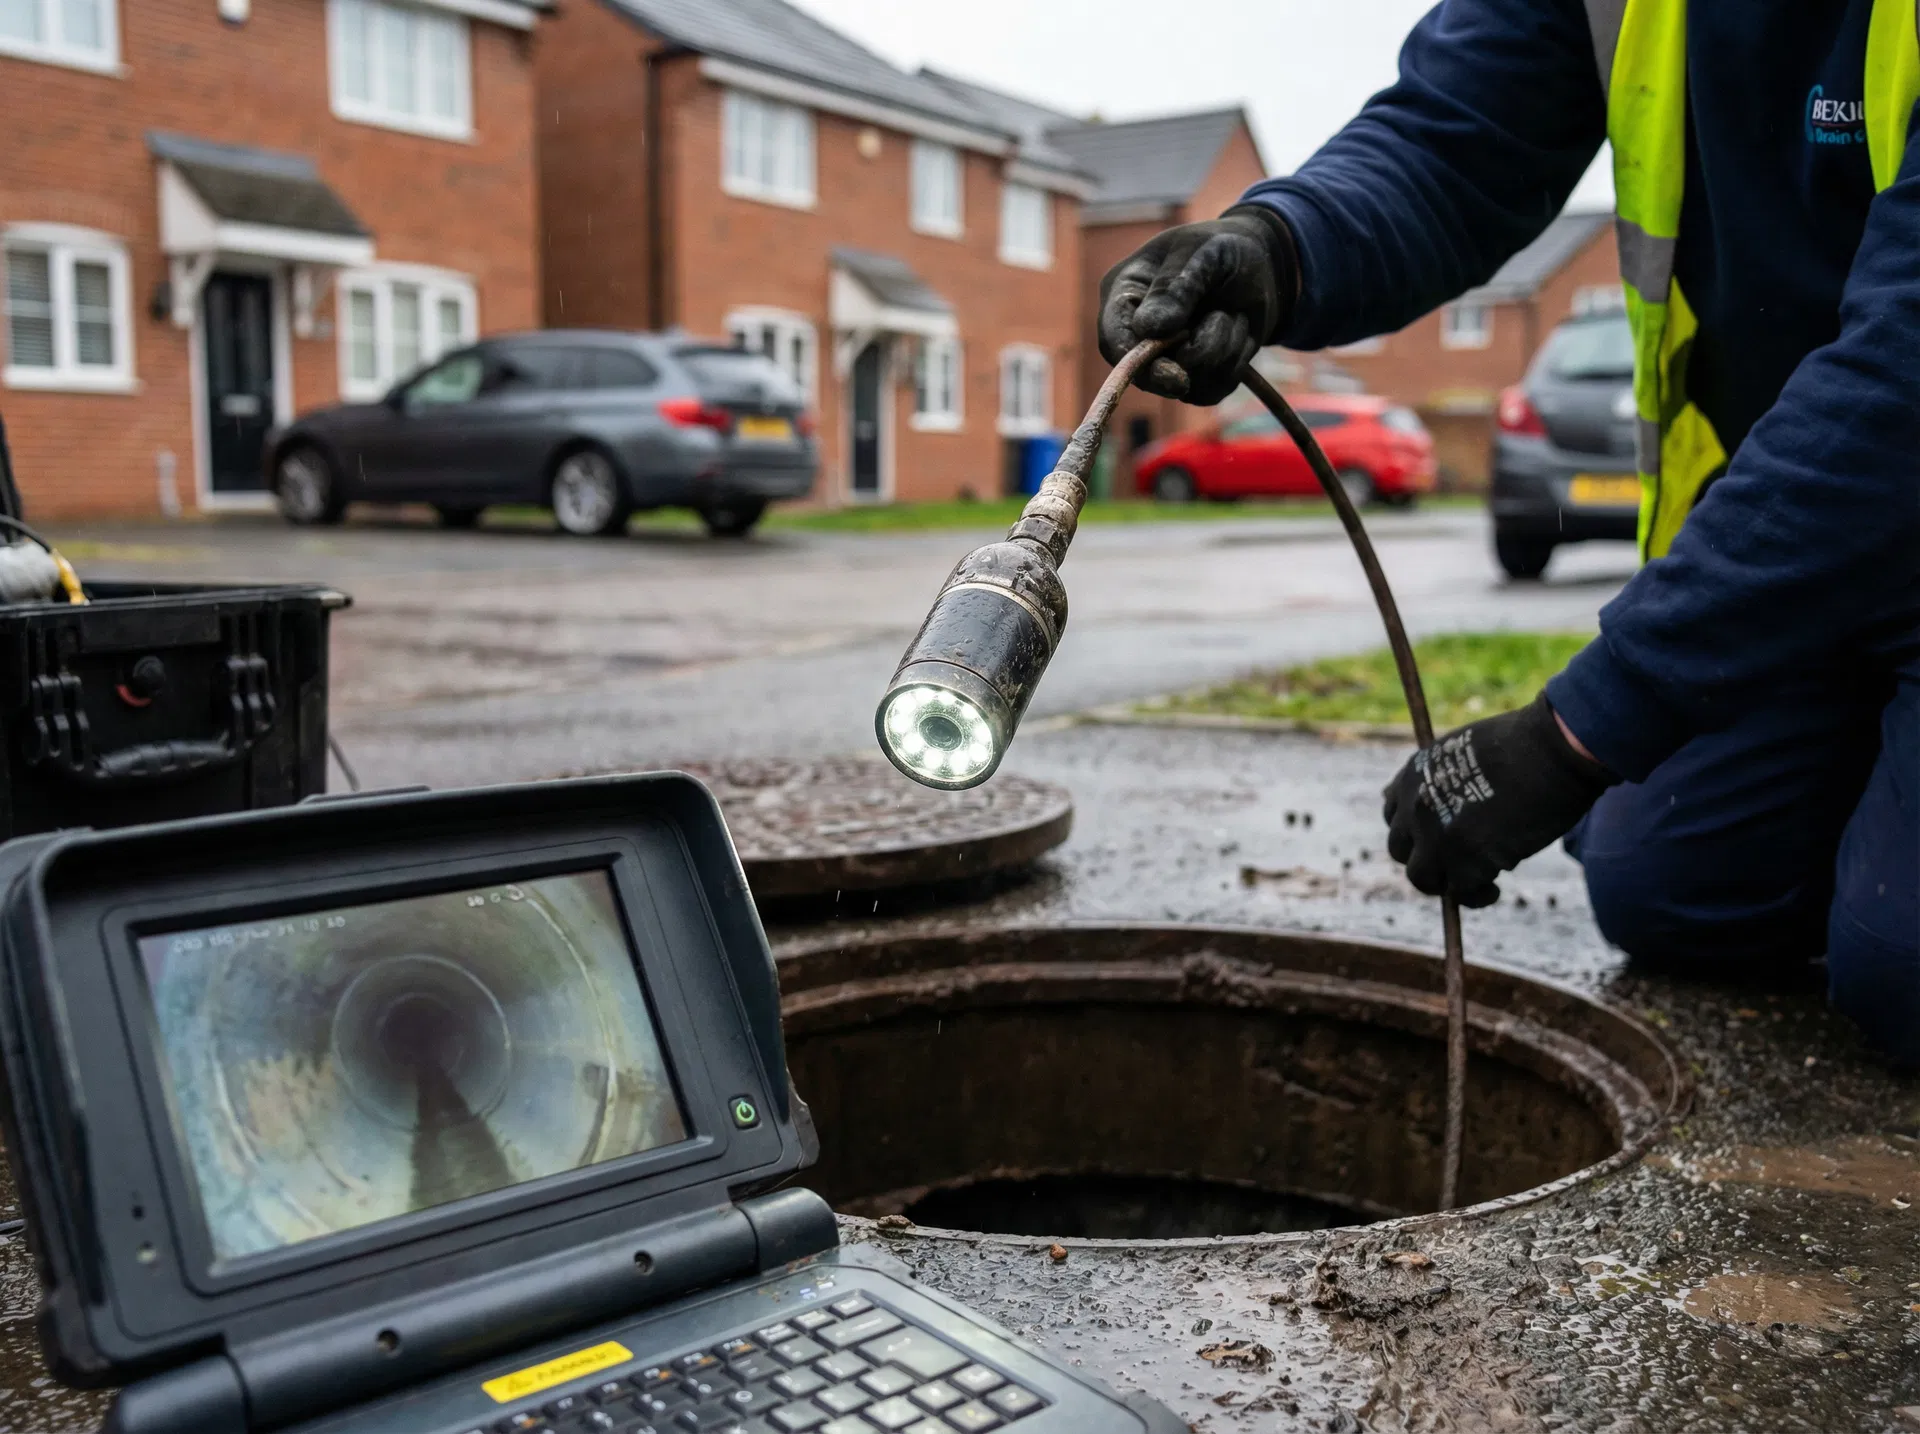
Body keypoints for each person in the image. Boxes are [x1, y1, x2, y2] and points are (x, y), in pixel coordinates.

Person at [1098, 0, 1919, 1068]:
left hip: (1885, 480)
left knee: (1900, 963)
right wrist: (1279, 246)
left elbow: (1902, 376)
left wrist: (1575, 732)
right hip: (1798, 559)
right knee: (1666, 890)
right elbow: (1456, 136)